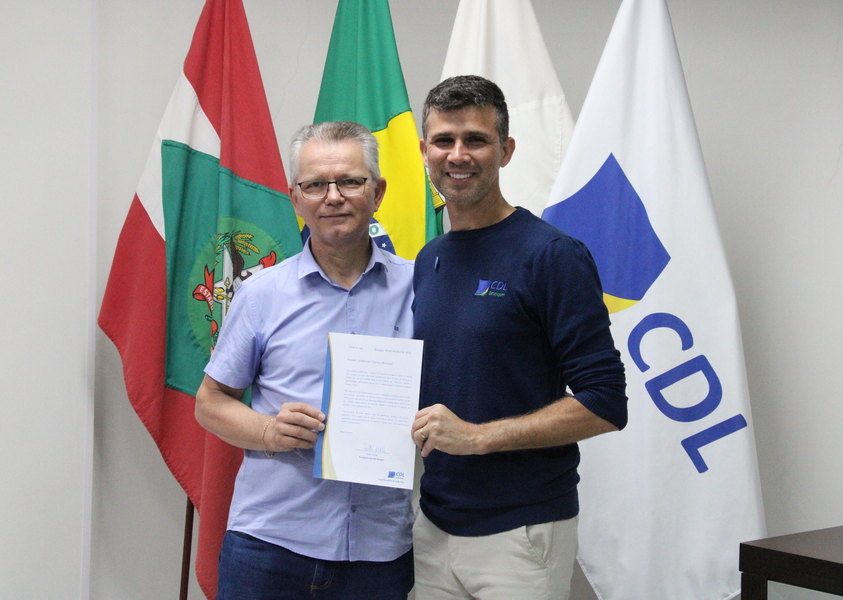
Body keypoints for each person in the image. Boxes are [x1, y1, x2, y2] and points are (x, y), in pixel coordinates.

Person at [409, 75, 628, 600]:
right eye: (443, 141)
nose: (458, 155)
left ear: (505, 151)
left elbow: (605, 402)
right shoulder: (428, 258)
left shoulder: (551, 255)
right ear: (423, 152)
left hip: (520, 534)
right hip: (434, 527)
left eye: (476, 140)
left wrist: (479, 438)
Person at [195, 121, 415, 600]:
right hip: (270, 544)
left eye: (350, 182)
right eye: (315, 185)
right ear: (295, 199)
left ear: (377, 192)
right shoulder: (260, 294)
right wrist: (268, 431)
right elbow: (210, 402)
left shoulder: (423, 290)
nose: (332, 197)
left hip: (379, 551)